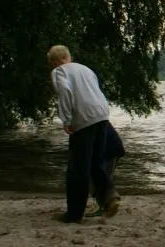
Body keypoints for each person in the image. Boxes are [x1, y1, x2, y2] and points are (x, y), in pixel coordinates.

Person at [47, 45, 120, 223]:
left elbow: (65, 92)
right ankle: (110, 195)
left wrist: (66, 120)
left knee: (78, 168)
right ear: (68, 56)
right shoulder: (86, 69)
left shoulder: (59, 72)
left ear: (55, 61)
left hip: (83, 118)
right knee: (96, 162)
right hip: (102, 115)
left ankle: (74, 214)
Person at [85, 122, 125, 217]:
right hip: (112, 147)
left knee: (99, 177)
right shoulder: (96, 116)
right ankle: (105, 205)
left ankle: (102, 206)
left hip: (108, 150)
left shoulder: (86, 120)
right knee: (101, 176)